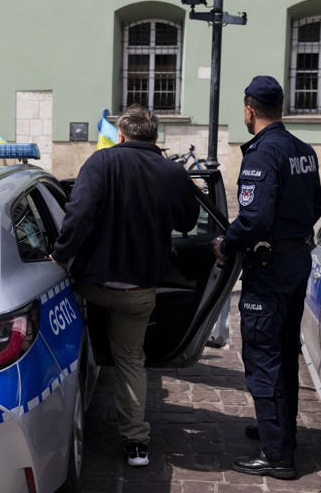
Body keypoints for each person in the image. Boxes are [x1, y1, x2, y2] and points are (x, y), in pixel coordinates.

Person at [51, 104, 199, 468]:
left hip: (90, 284)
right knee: (131, 359)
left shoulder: (100, 163)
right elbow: (188, 220)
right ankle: (136, 444)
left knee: (72, 339)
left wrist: (60, 257)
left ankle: (63, 417)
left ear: (121, 134)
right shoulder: (172, 171)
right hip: (139, 288)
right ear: (155, 136)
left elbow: (78, 214)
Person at [214, 76, 321, 480]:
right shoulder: (303, 150)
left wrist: (227, 243)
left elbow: (254, 219)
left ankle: (276, 454)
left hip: (269, 267)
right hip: (295, 260)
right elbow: (317, 204)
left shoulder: (263, 154)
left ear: (249, 109)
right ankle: (279, 430)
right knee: (283, 351)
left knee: (263, 355)